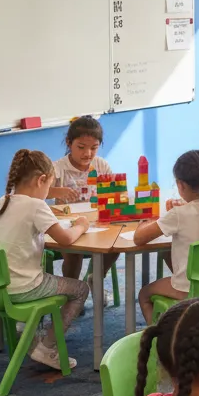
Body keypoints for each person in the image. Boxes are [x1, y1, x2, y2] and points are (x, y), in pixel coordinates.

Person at [0, 149, 90, 370]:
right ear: (41, 180)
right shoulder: (36, 206)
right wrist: (81, 225)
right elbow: (65, 240)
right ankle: (47, 347)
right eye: (47, 186)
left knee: (49, 274)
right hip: (25, 288)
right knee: (81, 289)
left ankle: (28, 331)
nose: (47, 193)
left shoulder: (0, 202)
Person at [133, 150, 199, 324]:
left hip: (188, 289)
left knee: (144, 295)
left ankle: (157, 338)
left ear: (180, 185)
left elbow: (138, 238)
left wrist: (147, 221)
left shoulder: (178, 214)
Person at [49, 116, 118, 280]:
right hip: (68, 225)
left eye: (94, 148)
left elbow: (115, 194)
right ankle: (73, 291)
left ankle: (96, 277)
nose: (88, 153)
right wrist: (58, 192)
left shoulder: (101, 165)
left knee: (114, 246)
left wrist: (104, 195)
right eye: (81, 147)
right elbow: (41, 193)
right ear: (69, 142)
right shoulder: (58, 168)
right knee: (73, 256)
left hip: (96, 222)